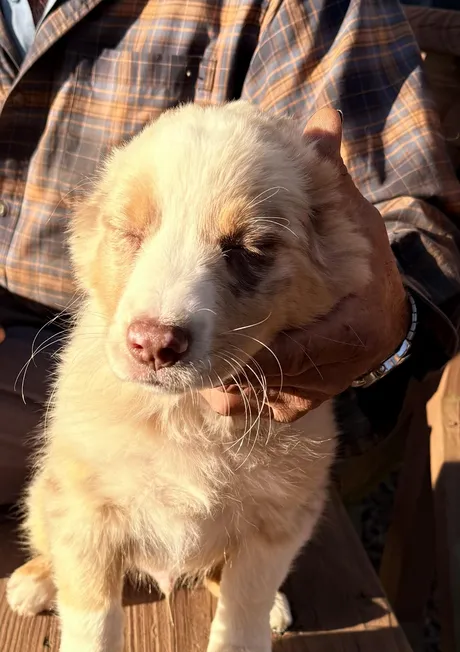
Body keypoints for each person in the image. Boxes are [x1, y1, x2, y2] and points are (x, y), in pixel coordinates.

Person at [1, 0, 460, 505]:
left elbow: (410, 230)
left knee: (282, 555)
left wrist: (387, 321)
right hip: (74, 364)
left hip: (228, 404)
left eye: (250, 245)